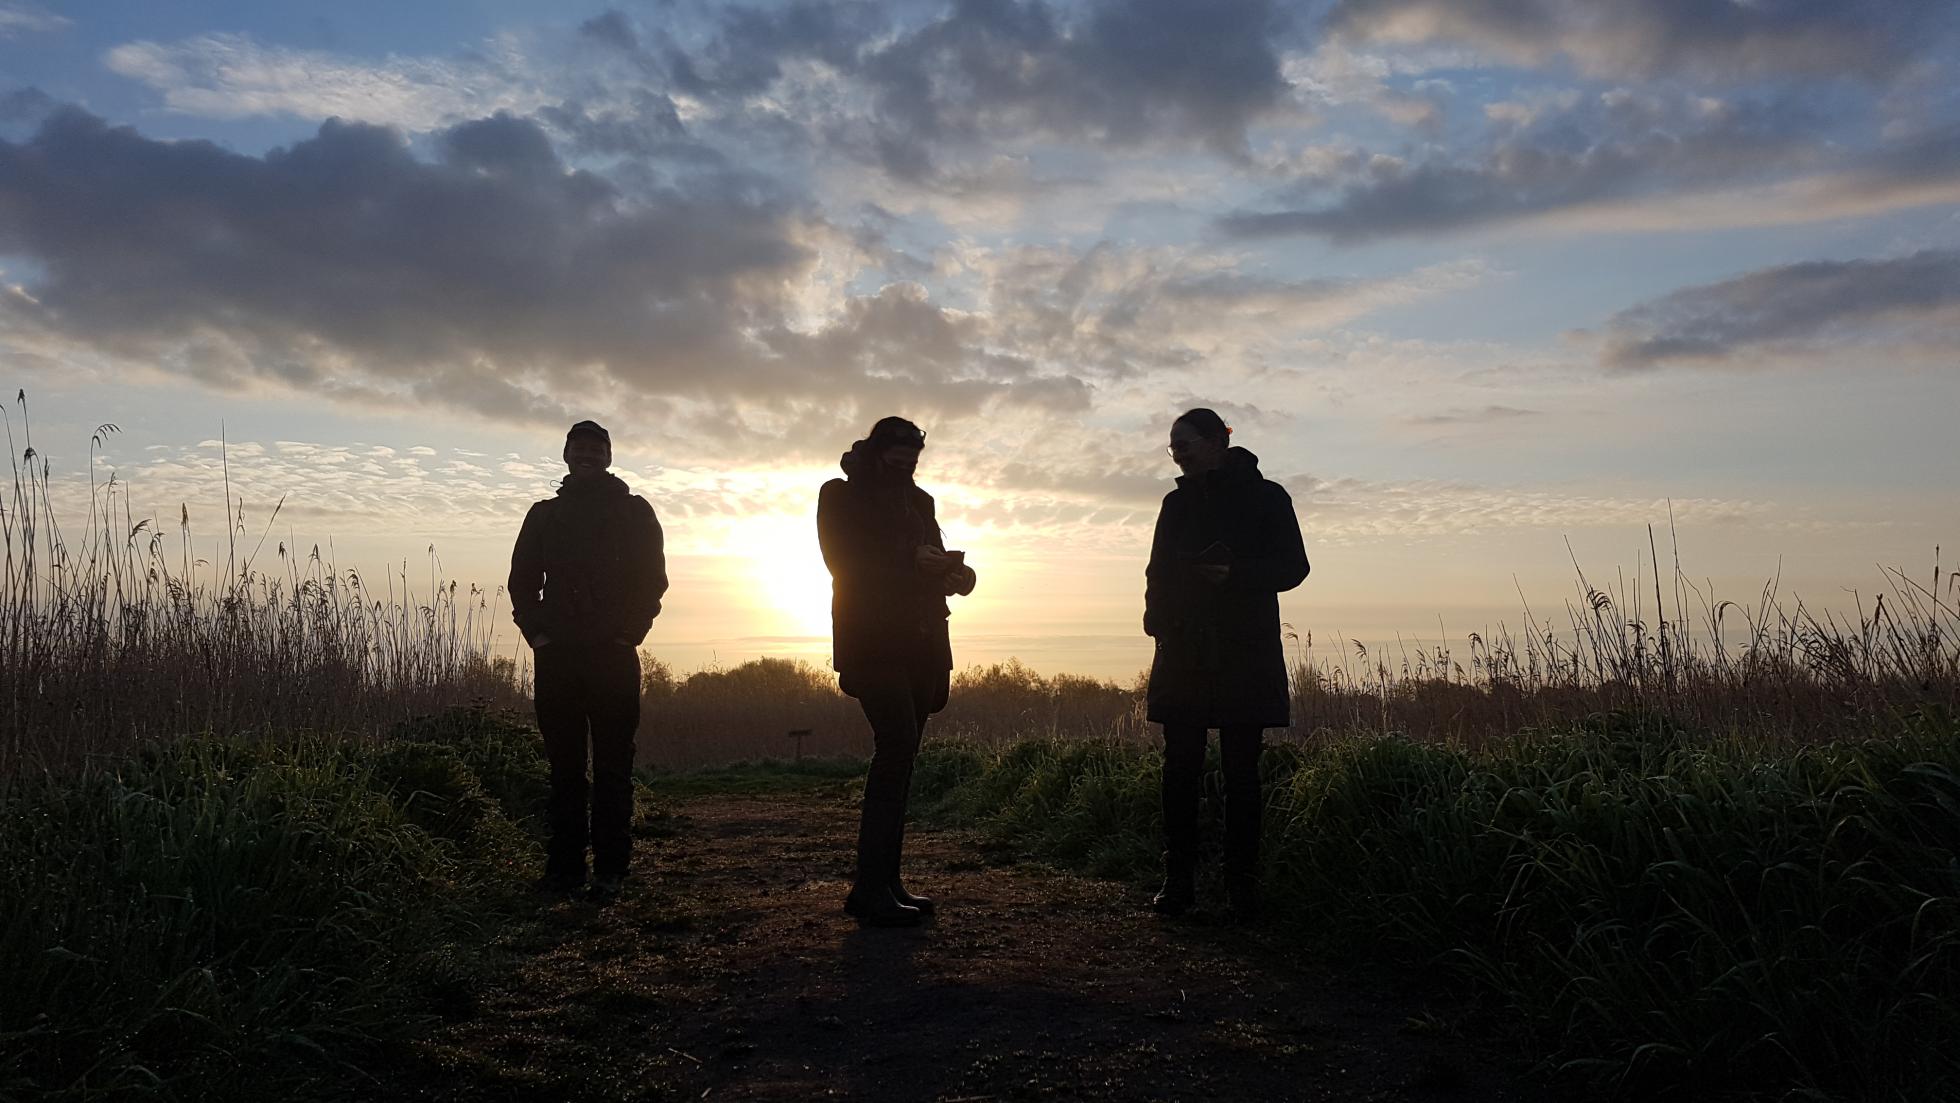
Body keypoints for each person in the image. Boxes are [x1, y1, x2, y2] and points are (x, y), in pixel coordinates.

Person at [1143, 408, 1309, 919]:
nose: (1177, 454)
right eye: (1173, 446)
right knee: (1179, 768)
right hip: (1184, 648)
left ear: (1217, 441)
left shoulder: (1268, 497)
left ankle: (1242, 886)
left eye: (1185, 444)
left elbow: (1294, 567)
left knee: (1242, 772)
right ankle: (1178, 881)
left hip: (1244, 650)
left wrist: (1235, 574)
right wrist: (1157, 621)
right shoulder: (1175, 504)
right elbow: (1156, 571)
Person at [818, 416, 977, 927]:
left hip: (923, 643)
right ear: (876, 451)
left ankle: (886, 882)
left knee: (903, 758)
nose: (906, 467)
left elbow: (933, 563)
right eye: (898, 457)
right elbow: (843, 562)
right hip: (871, 642)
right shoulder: (839, 496)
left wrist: (957, 575)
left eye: (913, 460)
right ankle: (870, 887)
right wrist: (913, 560)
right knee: (896, 747)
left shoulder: (921, 501)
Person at [508, 419, 668, 904]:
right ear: (566, 456)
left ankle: (611, 869)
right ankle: (564, 869)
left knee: (614, 764)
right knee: (564, 766)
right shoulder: (544, 515)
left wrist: (628, 634)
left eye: (596, 450)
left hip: (613, 656)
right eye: (579, 449)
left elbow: (652, 580)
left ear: (609, 457)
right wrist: (538, 636)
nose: (587, 456)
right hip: (557, 657)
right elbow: (521, 581)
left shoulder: (635, 512)